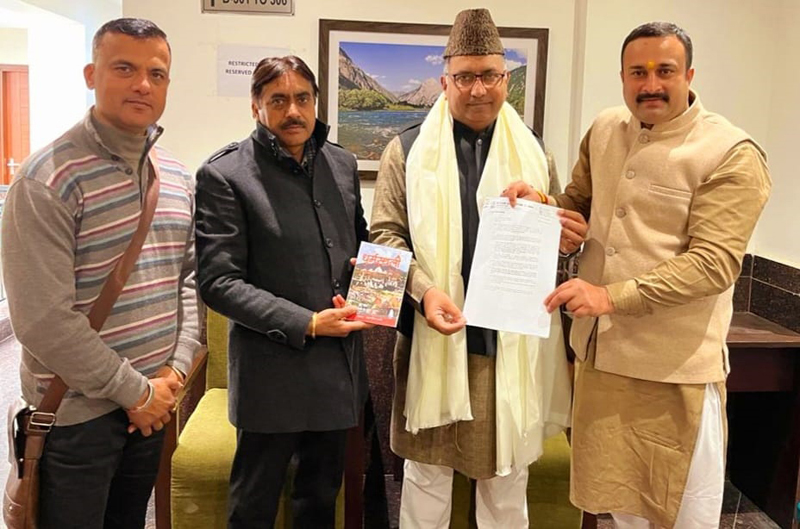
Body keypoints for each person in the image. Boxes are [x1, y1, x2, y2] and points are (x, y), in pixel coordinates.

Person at [506, 21, 772, 529]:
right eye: (638, 72)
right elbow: (578, 205)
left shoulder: (732, 153)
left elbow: (713, 263)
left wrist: (610, 297)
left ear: (689, 74)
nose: (651, 84)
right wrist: (544, 208)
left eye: (665, 70)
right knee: (622, 511)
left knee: (684, 512)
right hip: (602, 362)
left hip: (676, 369)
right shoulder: (606, 129)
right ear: (623, 77)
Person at [370, 8, 584, 528]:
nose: (477, 89)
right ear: (445, 81)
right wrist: (423, 293)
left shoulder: (537, 153)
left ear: (505, 79)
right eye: (464, 76)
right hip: (433, 337)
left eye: (489, 74)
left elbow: (552, 244)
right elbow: (383, 239)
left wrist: (563, 242)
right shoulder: (405, 150)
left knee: (506, 482)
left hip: (505, 346)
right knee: (425, 481)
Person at [1, 18, 200, 528]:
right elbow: (44, 321)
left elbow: (189, 280)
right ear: (92, 74)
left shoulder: (174, 176)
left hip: (151, 410)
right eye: (125, 68)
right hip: (76, 418)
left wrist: (173, 374)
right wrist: (134, 392)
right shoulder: (47, 179)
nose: (142, 84)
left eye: (156, 74)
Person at [194, 55, 371, 529]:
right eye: (278, 100)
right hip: (270, 377)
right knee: (253, 504)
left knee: (319, 500)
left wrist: (374, 287)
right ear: (256, 107)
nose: (293, 111)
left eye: (303, 98)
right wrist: (307, 322)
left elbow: (360, 244)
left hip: (336, 371)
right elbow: (218, 282)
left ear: (315, 102)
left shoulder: (342, 163)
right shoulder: (225, 175)